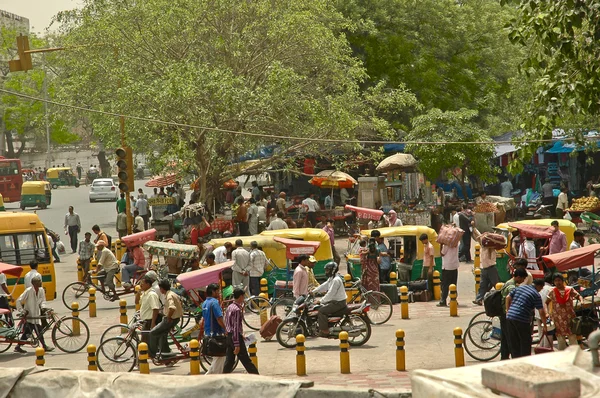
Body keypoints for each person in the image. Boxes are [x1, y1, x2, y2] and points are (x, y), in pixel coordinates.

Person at [505, 279, 547, 358]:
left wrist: (508, 311)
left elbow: (508, 297)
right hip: (522, 319)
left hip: (510, 317)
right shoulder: (536, 295)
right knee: (525, 341)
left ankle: (515, 360)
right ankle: (525, 360)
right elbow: (541, 311)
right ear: (539, 286)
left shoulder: (520, 288)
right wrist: (544, 325)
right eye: (541, 288)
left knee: (514, 341)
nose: (540, 290)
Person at [223, 288, 259, 374]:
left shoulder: (229, 307)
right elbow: (235, 327)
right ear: (241, 296)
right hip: (235, 337)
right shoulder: (236, 310)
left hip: (229, 336)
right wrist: (237, 344)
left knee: (230, 361)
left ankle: (223, 376)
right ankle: (257, 377)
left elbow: (227, 322)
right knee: (246, 361)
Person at [14, 276, 54, 353]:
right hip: (29, 315)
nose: (41, 282)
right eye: (39, 281)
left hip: (36, 314)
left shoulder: (41, 290)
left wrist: (43, 308)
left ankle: (18, 346)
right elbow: (18, 301)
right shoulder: (28, 291)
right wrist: (22, 310)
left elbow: (43, 301)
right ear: (34, 283)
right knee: (38, 330)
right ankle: (44, 346)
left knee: (28, 332)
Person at [311, 262, 347, 337]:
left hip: (338, 303)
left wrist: (320, 301)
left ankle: (324, 330)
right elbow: (324, 285)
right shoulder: (332, 278)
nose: (326, 272)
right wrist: (314, 291)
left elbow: (330, 294)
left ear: (332, 270)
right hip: (335, 301)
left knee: (321, 311)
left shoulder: (336, 280)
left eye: (327, 270)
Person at [499, 268, 528, 360]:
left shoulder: (508, 282)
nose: (523, 281)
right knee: (511, 338)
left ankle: (504, 357)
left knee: (505, 337)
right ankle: (514, 358)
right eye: (522, 279)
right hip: (506, 314)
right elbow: (510, 299)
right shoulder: (512, 287)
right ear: (518, 277)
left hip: (503, 313)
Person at [150, 280, 183, 358]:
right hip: (176, 318)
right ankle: (166, 353)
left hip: (170, 319)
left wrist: (168, 317)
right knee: (162, 334)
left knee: (152, 333)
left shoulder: (169, 296)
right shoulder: (173, 293)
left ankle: (151, 353)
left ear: (162, 288)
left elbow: (172, 308)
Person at [546, 273, 580, 350]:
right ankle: (562, 356)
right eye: (555, 281)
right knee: (560, 338)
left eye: (559, 280)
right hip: (558, 318)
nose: (557, 282)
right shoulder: (552, 291)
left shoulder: (569, 289)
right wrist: (547, 313)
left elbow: (578, 296)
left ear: (563, 281)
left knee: (572, 336)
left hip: (569, 317)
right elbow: (546, 302)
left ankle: (575, 354)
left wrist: (582, 301)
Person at [472, 224, 502, 305]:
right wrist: (474, 228)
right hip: (484, 269)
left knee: (496, 284)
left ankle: (501, 298)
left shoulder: (490, 248)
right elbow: (478, 236)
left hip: (491, 268)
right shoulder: (483, 246)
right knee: (483, 285)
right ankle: (479, 299)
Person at [202, 283, 227, 374]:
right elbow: (219, 319)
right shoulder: (214, 302)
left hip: (208, 334)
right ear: (213, 292)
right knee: (220, 358)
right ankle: (212, 380)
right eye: (217, 291)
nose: (219, 293)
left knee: (217, 360)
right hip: (217, 335)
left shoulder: (205, 303)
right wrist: (226, 329)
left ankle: (209, 377)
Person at [136, 275, 161, 353]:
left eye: (142, 283)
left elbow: (155, 309)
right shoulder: (145, 294)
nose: (141, 285)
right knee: (145, 340)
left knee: (145, 342)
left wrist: (153, 323)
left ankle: (145, 357)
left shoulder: (151, 295)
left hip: (149, 321)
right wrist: (138, 292)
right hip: (145, 321)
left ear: (148, 284)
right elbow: (137, 302)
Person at [437, 242, 459, 307]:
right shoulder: (456, 243)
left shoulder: (446, 245)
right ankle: (453, 299)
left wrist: (441, 245)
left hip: (447, 267)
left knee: (445, 285)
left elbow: (442, 253)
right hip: (454, 266)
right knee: (453, 284)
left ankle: (443, 300)